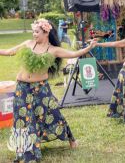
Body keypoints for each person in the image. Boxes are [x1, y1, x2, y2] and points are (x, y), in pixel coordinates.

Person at [0, 18, 97, 162]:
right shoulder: (28, 44)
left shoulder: (53, 50)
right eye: (33, 32)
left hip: (41, 88)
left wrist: (88, 48)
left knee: (52, 113)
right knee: (23, 118)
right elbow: (9, 51)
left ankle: (71, 139)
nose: (34, 34)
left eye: (37, 32)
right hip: (22, 88)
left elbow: (74, 54)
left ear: (46, 33)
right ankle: (26, 150)